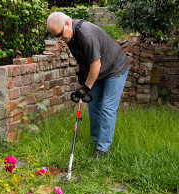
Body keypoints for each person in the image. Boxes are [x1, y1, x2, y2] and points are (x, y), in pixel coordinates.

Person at [47, 12, 129, 159]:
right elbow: (80, 58)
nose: (59, 38)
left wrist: (86, 87)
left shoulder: (87, 35)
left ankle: (102, 150)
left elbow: (96, 64)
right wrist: (80, 76)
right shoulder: (70, 37)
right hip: (97, 70)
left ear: (67, 23)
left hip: (114, 68)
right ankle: (95, 140)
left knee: (107, 106)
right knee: (93, 105)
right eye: (55, 36)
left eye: (59, 33)